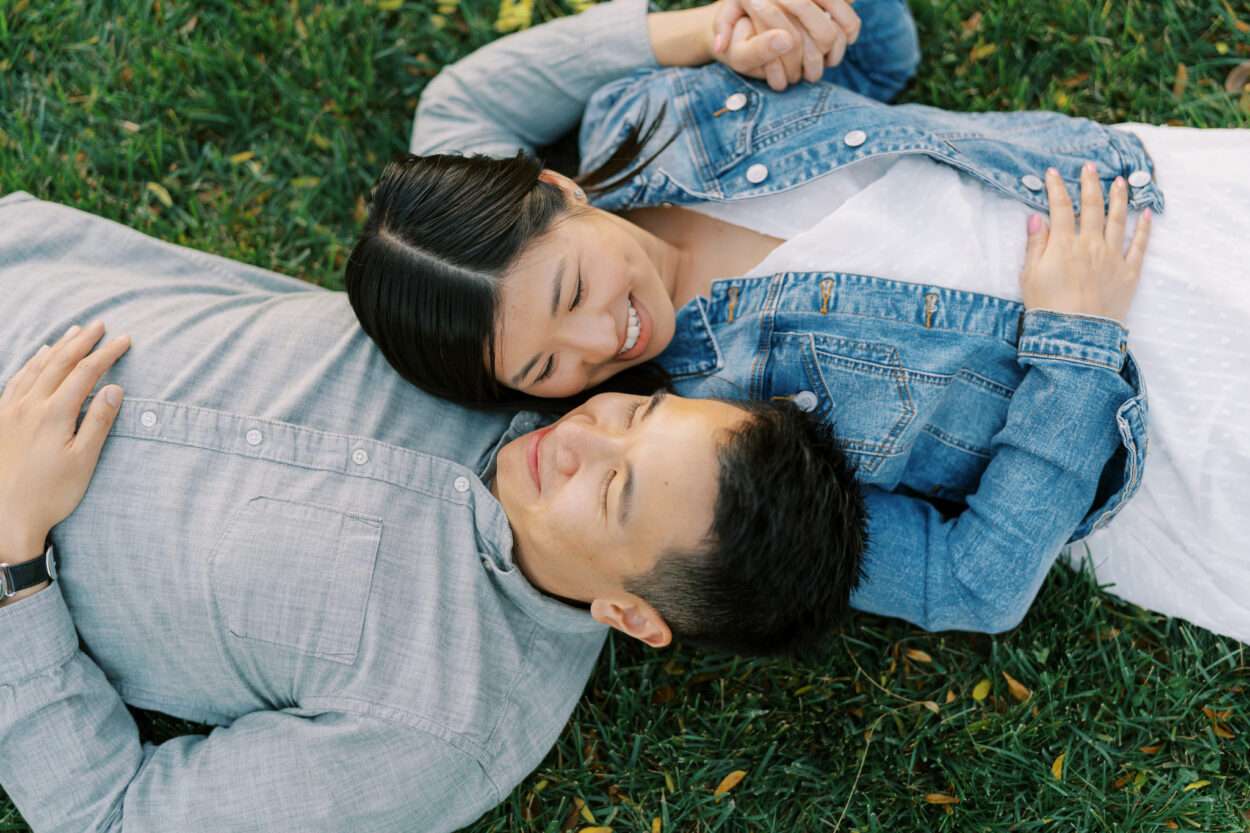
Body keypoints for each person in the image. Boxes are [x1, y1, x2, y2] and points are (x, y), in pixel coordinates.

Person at [0, 153, 1143, 830]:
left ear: (633, 614)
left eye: (614, 497)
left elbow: (110, 814)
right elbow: (475, 137)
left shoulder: (443, 723)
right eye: (631, 414)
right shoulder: (521, 353)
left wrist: (14, 550)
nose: (572, 440)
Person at [345, 0, 1250, 644]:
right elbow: (972, 581)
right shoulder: (717, 452)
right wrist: (1077, 340)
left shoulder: (657, 112)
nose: (599, 343)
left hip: (1150, 205)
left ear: (559, 191)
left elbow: (874, 66)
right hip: (1156, 424)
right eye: (545, 368)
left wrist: (791, 20)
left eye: (572, 289)